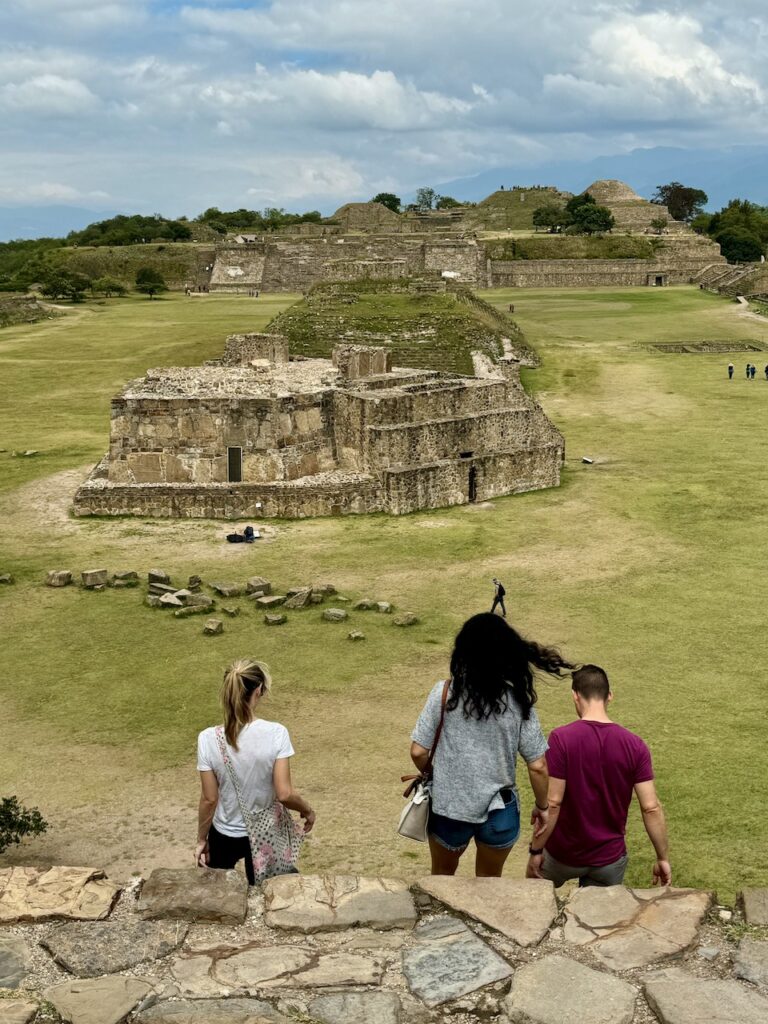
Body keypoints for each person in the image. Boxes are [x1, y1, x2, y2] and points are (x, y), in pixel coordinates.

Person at [410, 613, 573, 877]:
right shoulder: (518, 701)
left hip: (449, 807)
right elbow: (538, 766)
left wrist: (437, 773)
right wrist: (542, 807)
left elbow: (418, 751)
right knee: (489, 885)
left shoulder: (443, 692)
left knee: (441, 878)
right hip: (500, 810)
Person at [526, 664, 671, 889]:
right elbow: (651, 807)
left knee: (532, 907)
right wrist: (662, 858)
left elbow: (553, 803)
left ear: (575, 696)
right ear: (609, 696)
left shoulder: (561, 739)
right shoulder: (635, 745)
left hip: (561, 855)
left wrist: (536, 850)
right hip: (609, 860)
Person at [195, 659, 315, 884]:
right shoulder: (276, 733)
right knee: (268, 889)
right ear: (258, 690)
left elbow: (209, 799)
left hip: (223, 832)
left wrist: (202, 839)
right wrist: (308, 811)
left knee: (217, 892)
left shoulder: (207, 738)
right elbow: (285, 794)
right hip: (264, 833)